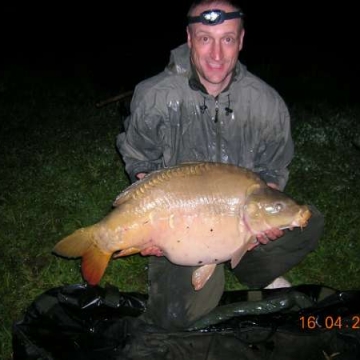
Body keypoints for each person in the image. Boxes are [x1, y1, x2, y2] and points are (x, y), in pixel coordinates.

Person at [116, 0, 324, 330]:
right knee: (178, 316)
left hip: (239, 216)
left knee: (308, 222)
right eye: (205, 39)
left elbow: (273, 169)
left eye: (227, 39)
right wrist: (153, 224)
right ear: (189, 39)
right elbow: (140, 157)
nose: (216, 54)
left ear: (241, 41)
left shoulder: (265, 103)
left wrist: (266, 211)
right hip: (180, 223)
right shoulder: (155, 95)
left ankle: (253, 268)